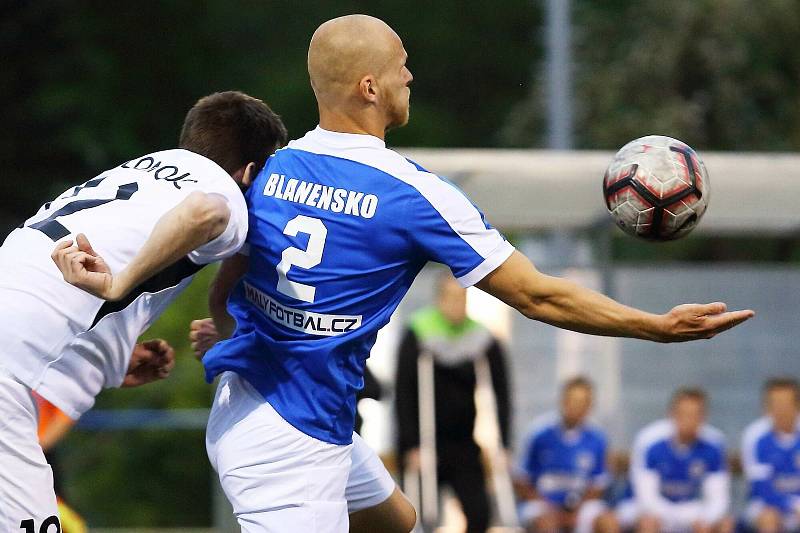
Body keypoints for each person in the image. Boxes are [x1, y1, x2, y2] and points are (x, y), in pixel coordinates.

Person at [81, 14, 751, 533]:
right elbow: (536, 293)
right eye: (402, 68)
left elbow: (226, 270)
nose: (411, 78)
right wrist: (653, 327)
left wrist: (228, 330)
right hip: (290, 447)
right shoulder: (413, 194)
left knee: (396, 521)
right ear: (370, 87)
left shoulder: (270, 170)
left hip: (266, 410)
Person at [3, 90, 287, 530]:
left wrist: (114, 353)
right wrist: (119, 284)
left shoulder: (139, 169)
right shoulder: (221, 189)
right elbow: (205, 211)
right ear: (250, 171)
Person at [395, 272, 510, 533]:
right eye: (451, 298)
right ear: (439, 299)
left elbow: (501, 391)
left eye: (462, 299)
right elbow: (404, 391)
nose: (457, 306)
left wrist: (504, 443)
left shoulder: (480, 339)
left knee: (479, 512)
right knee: (419, 515)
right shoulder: (418, 333)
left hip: (463, 444)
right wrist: (411, 444)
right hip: (424, 443)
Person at [516, 377, 618, 533]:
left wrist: (575, 512)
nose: (578, 407)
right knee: (546, 522)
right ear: (563, 401)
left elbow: (598, 485)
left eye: (584, 401)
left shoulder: (598, 438)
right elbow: (522, 481)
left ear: (590, 405)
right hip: (542, 503)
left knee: (608, 522)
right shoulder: (539, 435)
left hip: (581, 505)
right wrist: (550, 508)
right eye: (574, 400)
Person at [630, 388, 732, 533]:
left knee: (724, 523)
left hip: (694, 511)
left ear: (704, 417)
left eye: (695, 415)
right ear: (672, 415)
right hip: (660, 511)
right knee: (648, 523)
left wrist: (706, 518)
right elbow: (647, 497)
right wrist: (675, 518)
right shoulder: (650, 442)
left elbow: (719, 497)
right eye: (684, 414)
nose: (689, 420)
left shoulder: (714, 445)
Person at [742, 378, 800, 533]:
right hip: (766, 505)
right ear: (766, 408)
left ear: (797, 405)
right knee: (769, 517)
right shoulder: (755, 436)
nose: (781, 410)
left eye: (786, 403)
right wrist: (794, 506)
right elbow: (762, 488)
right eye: (776, 404)